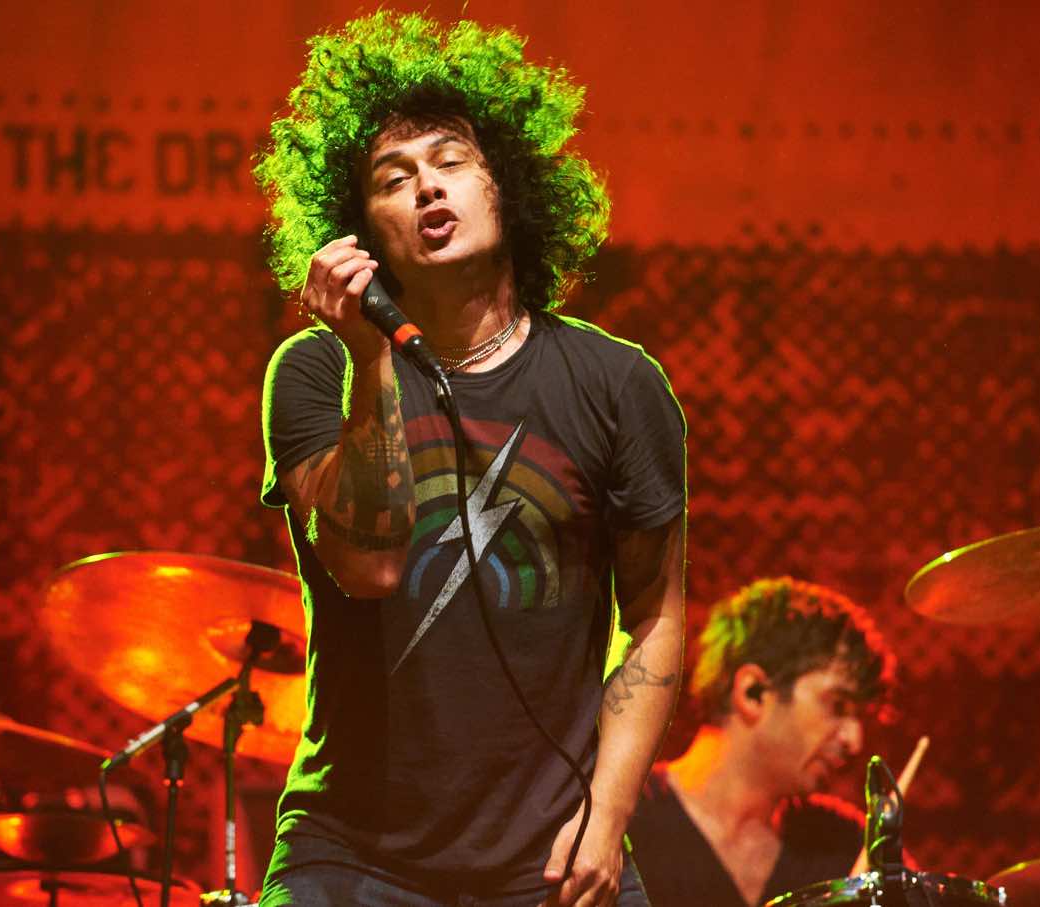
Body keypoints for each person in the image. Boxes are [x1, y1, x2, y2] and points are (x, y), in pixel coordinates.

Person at [253, 13, 686, 907]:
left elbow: (655, 616)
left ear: (509, 187)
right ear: (359, 226)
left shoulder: (616, 383)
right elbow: (370, 564)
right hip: (354, 854)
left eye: (450, 162)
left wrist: (607, 815)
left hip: (550, 854)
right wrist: (372, 359)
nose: (426, 190)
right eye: (393, 179)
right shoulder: (317, 370)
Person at [627, 577, 896, 907]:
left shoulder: (846, 844)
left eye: (860, 717)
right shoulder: (620, 820)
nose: (855, 740)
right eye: (837, 705)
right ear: (753, 692)